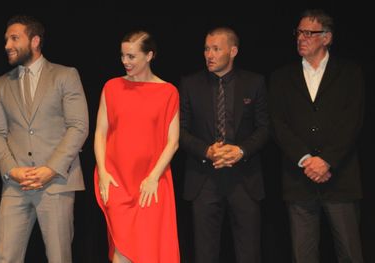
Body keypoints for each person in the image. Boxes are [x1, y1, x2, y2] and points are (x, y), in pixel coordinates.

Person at [0, 15, 89, 263]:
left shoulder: (65, 75)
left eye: (14, 38)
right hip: (15, 184)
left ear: (35, 41)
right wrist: (12, 170)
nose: (7, 45)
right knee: (5, 257)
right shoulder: (0, 84)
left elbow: (78, 126)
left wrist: (51, 169)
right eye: (6, 40)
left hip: (57, 183)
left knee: (58, 258)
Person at [269, 9, 364, 262]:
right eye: (299, 32)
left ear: (327, 38)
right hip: (299, 180)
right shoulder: (280, 77)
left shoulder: (350, 73)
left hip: (340, 178)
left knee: (350, 253)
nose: (302, 37)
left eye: (309, 33)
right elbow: (279, 125)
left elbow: (352, 122)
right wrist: (305, 159)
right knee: (303, 255)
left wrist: (326, 161)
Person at [179, 27, 269, 263]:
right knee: (205, 253)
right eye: (207, 48)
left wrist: (240, 151)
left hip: (244, 178)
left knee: (249, 251)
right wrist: (207, 151)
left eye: (216, 49)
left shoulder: (254, 82)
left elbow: (264, 128)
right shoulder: (190, 84)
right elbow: (180, 131)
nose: (209, 54)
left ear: (233, 51)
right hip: (204, 177)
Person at [94, 30, 180, 263]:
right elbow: (100, 132)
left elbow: (173, 142)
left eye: (131, 56)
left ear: (149, 55)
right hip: (117, 181)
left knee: (149, 248)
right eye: (122, 56)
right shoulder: (111, 87)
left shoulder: (168, 92)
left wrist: (153, 177)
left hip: (151, 183)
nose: (125, 62)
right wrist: (102, 171)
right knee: (121, 250)